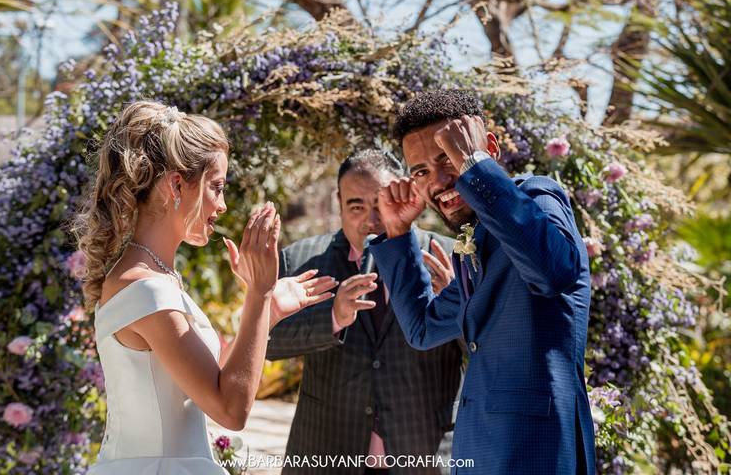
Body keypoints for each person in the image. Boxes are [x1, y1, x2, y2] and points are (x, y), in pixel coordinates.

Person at [73, 101, 337, 474]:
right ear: (176, 185)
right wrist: (259, 295)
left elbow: (211, 382)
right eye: (217, 187)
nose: (223, 205)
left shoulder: (153, 279)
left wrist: (268, 311)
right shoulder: (146, 290)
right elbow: (231, 410)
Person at [368, 90, 596, 474]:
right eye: (421, 171)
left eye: (447, 157)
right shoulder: (473, 245)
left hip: (537, 455)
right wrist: (397, 233)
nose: (438, 181)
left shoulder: (537, 196)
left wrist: (475, 167)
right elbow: (423, 329)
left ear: (487, 148)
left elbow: (554, 272)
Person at [267, 149, 464, 475]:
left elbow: (485, 352)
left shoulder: (451, 257)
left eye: (381, 204)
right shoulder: (301, 260)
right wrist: (332, 318)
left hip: (425, 457)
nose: (371, 221)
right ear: (339, 201)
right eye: (356, 207)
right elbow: (268, 343)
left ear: (408, 193)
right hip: (327, 457)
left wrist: (459, 308)